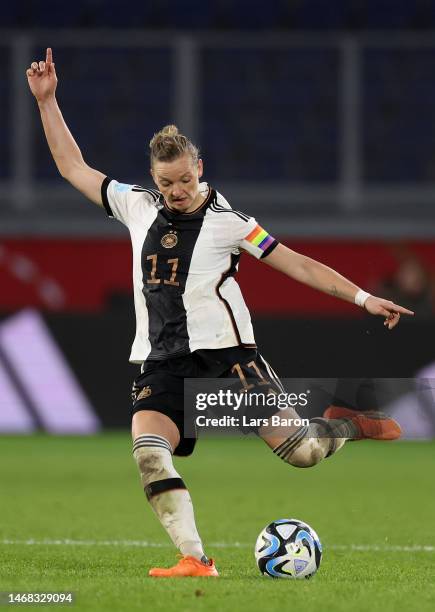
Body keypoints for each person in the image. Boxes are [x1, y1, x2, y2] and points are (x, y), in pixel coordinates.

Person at [26, 48, 414, 578]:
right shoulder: (137, 205)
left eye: (185, 179)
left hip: (227, 362)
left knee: (302, 453)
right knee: (147, 453)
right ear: (153, 180)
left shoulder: (231, 222)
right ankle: (195, 559)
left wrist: (364, 298)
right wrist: (48, 101)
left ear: (199, 168)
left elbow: (296, 264)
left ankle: (344, 427)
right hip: (162, 362)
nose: (177, 191)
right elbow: (73, 167)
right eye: (167, 183)